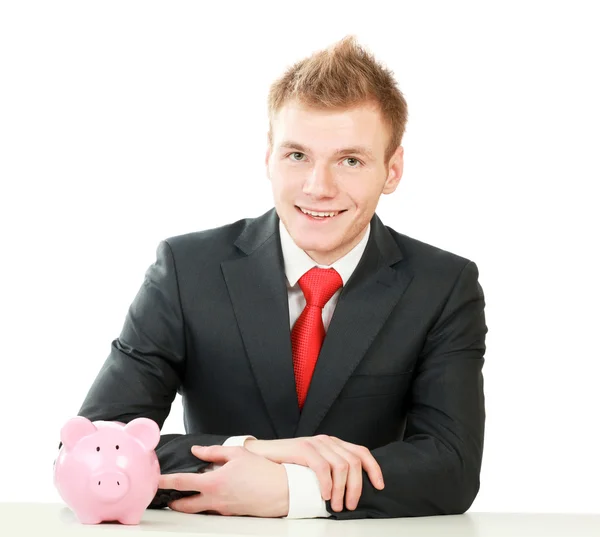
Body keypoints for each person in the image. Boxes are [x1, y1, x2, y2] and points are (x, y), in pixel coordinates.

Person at [75, 35, 487, 519]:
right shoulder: (186, 270)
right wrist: (253, 452)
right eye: (297, 156)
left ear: (392, 170)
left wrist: (293, 489)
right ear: (268, 157)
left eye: (350, 160)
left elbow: (451, 467)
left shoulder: (442, 286)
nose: (318, 187)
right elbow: (93, 445)